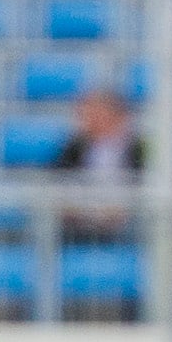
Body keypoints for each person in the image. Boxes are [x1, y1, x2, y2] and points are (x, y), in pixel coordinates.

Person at [53, 85, 144, 242]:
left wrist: (123, 208)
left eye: (96, 113)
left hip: (128, 221)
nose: (87, 119)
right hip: (80, 219)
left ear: (116, 115)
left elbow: (145, 183)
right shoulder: (74, 147)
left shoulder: (137, 148)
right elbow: (58, 179)